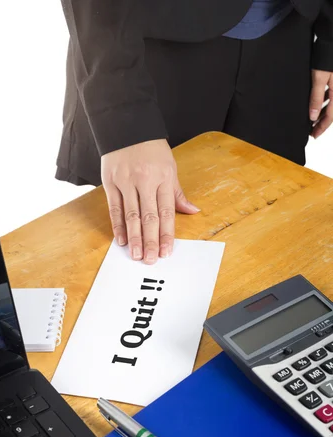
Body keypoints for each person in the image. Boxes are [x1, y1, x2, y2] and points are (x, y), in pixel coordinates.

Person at [56, 1, 333, 264]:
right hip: (152, 47)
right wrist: (125, 118)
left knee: (267, 253)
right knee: (145, 256)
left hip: (289, 41)